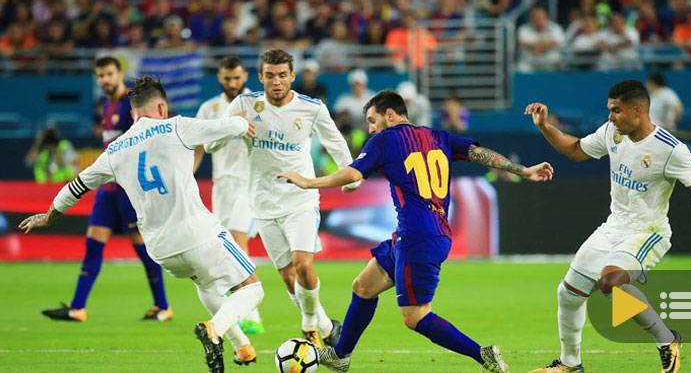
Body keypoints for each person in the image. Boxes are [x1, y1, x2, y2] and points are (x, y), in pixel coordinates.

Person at [278, 90, 555, 372]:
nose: (370, 128)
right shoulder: (438, 136)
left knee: (415, 316)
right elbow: (478, 153)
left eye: (373, 121)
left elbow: (353, 173)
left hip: (417, 237)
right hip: (420, 234)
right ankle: (341, 355)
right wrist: (523, 170)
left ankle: (482, 354)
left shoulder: (385, 139)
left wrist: (307, 182)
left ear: (390, 114)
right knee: (363, 286)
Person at [20, 76, 263, 373]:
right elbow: (228, 128)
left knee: (206, 282)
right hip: (198, 233)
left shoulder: (116, 149)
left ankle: (243, 347)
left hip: (161, 250)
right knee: (253, 289)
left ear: (133, 113)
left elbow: (77, 186)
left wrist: (49, 215)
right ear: (162, 106)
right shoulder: (178, 125)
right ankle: (214, 329)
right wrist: (240, 122)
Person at [525, 80, 691, 373]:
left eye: (616, 111)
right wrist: (544, 126)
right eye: (610, 110)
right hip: (613, 227)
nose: (610, 117)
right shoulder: (612, 133)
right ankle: (570, 364)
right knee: (568, 294)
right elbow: (576, 149)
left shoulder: (671, 149)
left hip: (648, 232)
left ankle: (667, 340)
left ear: (638, 110)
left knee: (611, 282)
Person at [210, 49, 354, 348]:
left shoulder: (311, 108)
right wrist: (232, 128)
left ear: (292, 76)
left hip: (300, 199)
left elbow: (335, 140)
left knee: (303, 265)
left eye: (282, 75)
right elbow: (211, 144)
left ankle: (310, 325)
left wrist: (351, 172)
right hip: (262, 204)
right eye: (270, 76)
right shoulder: (244, 104)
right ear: (261, 77)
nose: (276, 81)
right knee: (289, 277)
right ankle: (327, 327)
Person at [41, 57, 171, 323]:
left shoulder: (131, 104)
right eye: (100, 75)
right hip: (107, 189)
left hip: (128, 190)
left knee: (142, 248)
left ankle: (163, 306)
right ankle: (78, 307)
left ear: (119, 73)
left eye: (109, 74)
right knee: (93, 244)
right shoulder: (104, 105)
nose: (105, 80)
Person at [194, 56, 264, 335]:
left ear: (245, 76)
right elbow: (199, 145)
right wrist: (188, 175)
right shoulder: (209, 108)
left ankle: (252, 314)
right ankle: (237, 306)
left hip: (250, 183)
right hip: (221, 185)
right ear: (220, 78)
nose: (232, 83)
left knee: (237, 240)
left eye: (237, 78)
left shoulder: (257, 104)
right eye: (227, 78)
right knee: (224, 246)